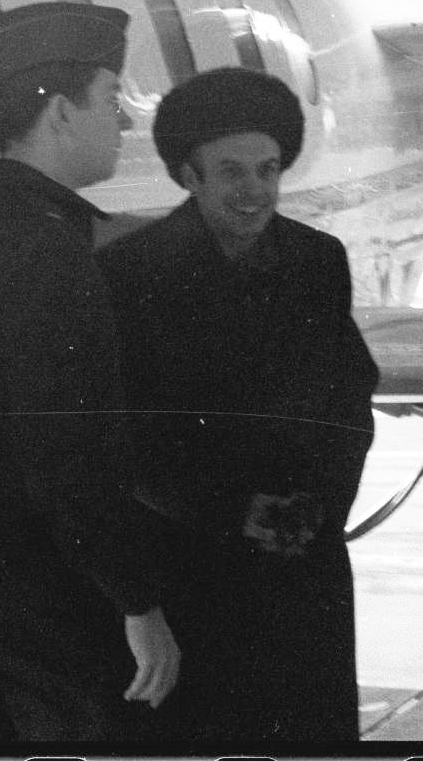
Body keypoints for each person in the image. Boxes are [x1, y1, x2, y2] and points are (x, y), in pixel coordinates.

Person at [0, 2, 179, 741]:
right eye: (110, 102)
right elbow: (68, 454)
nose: (121, 124)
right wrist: (137, 604)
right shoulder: (49, 254)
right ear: (59, 114)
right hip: (57, 605)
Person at [97, 67, 378, 742]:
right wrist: (233, 511)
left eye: (268, 169)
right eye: (232, 172)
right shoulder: (131, 274)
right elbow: (125, 433)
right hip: (193, 568)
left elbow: (349, 399)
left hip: (303, 561)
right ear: (189, 177)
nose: (255, 192)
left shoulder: (318, 260)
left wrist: (320, 505)